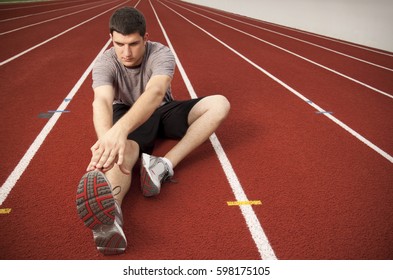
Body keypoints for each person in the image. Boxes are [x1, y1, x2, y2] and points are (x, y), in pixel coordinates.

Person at [75, 6, 230, 255]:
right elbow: (102, 101)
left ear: (146, 38)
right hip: (125, 111)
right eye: (119, 44)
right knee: (122, 151)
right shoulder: (105, 61)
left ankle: (163, 165)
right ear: (111, 40)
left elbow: (156, 92)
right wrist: (108, 141)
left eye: (134, 44)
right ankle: (110, 215)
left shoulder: (161, 53)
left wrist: (120, 130)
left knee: (220, 104)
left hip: (161, 108)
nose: (126, 52)